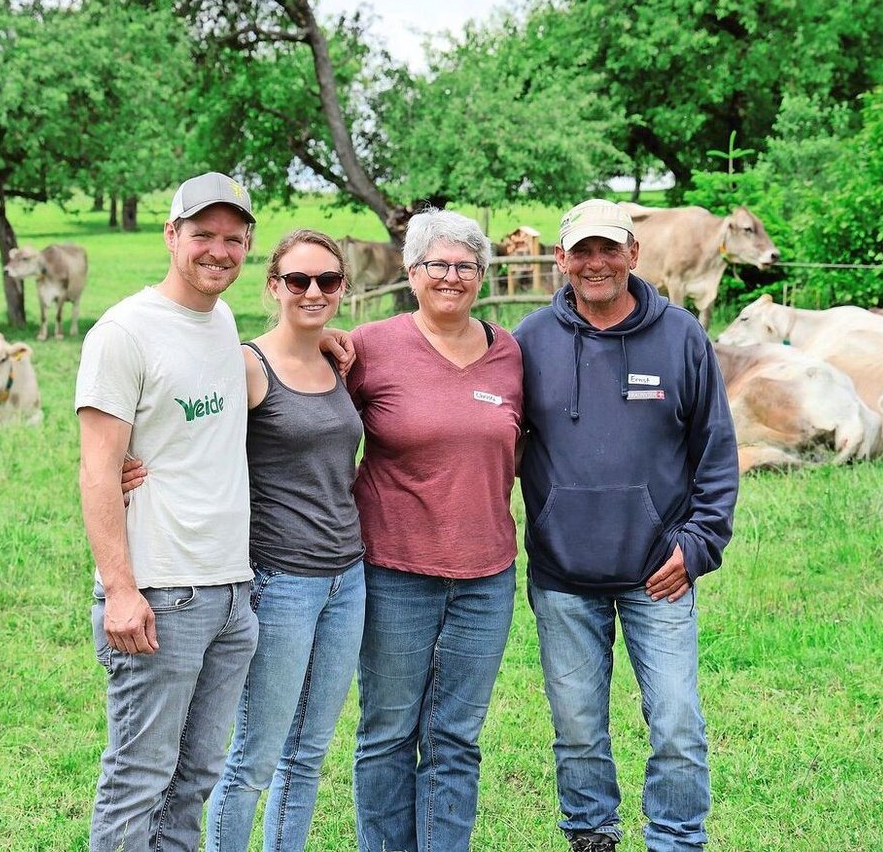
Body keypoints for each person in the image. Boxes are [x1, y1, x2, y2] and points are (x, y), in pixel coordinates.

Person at [512, 198, 740, 852]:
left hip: (658, 573)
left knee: (674, 719)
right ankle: (591, 833)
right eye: (581, 251)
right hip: (562, 572)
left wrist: (697, 545)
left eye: (609, 248)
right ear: (561, 260)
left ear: (633, 253)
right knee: (578, 723)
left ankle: (675, 836)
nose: (596, 263)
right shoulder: (530, 342)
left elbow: (716, 451)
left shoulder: (680, 337)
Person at [76, 171, 260, 852]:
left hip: (231, 592)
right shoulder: (124, 332)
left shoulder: (222, 321)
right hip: (160, 594)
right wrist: (121, 589)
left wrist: (321, 342)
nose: (219, 250)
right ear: (171, 235)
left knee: (194, 779)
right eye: (203, 234)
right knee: (138, 778)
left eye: (234, 238)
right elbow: (98, 467)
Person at [347, 208, 524, 852]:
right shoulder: (369, 346)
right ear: (410, 271)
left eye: (465, 265)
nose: (452, 276)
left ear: (482, 274)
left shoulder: (510, 354)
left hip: (487, 574)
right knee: (389, 732)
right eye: (437, 265)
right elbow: (301, 412)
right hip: (393, 568)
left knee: (456, 735)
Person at [202, 230, 367, 851]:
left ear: (342, 288)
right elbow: (192, 437)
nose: (313, 291)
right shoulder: (246, 365)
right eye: (298, 280)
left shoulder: (336, 359)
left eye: (327, 280)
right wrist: (130, 461)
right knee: (254, 757)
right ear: (274, 286)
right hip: (280, 582)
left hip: (347, 579)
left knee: (309, 755)